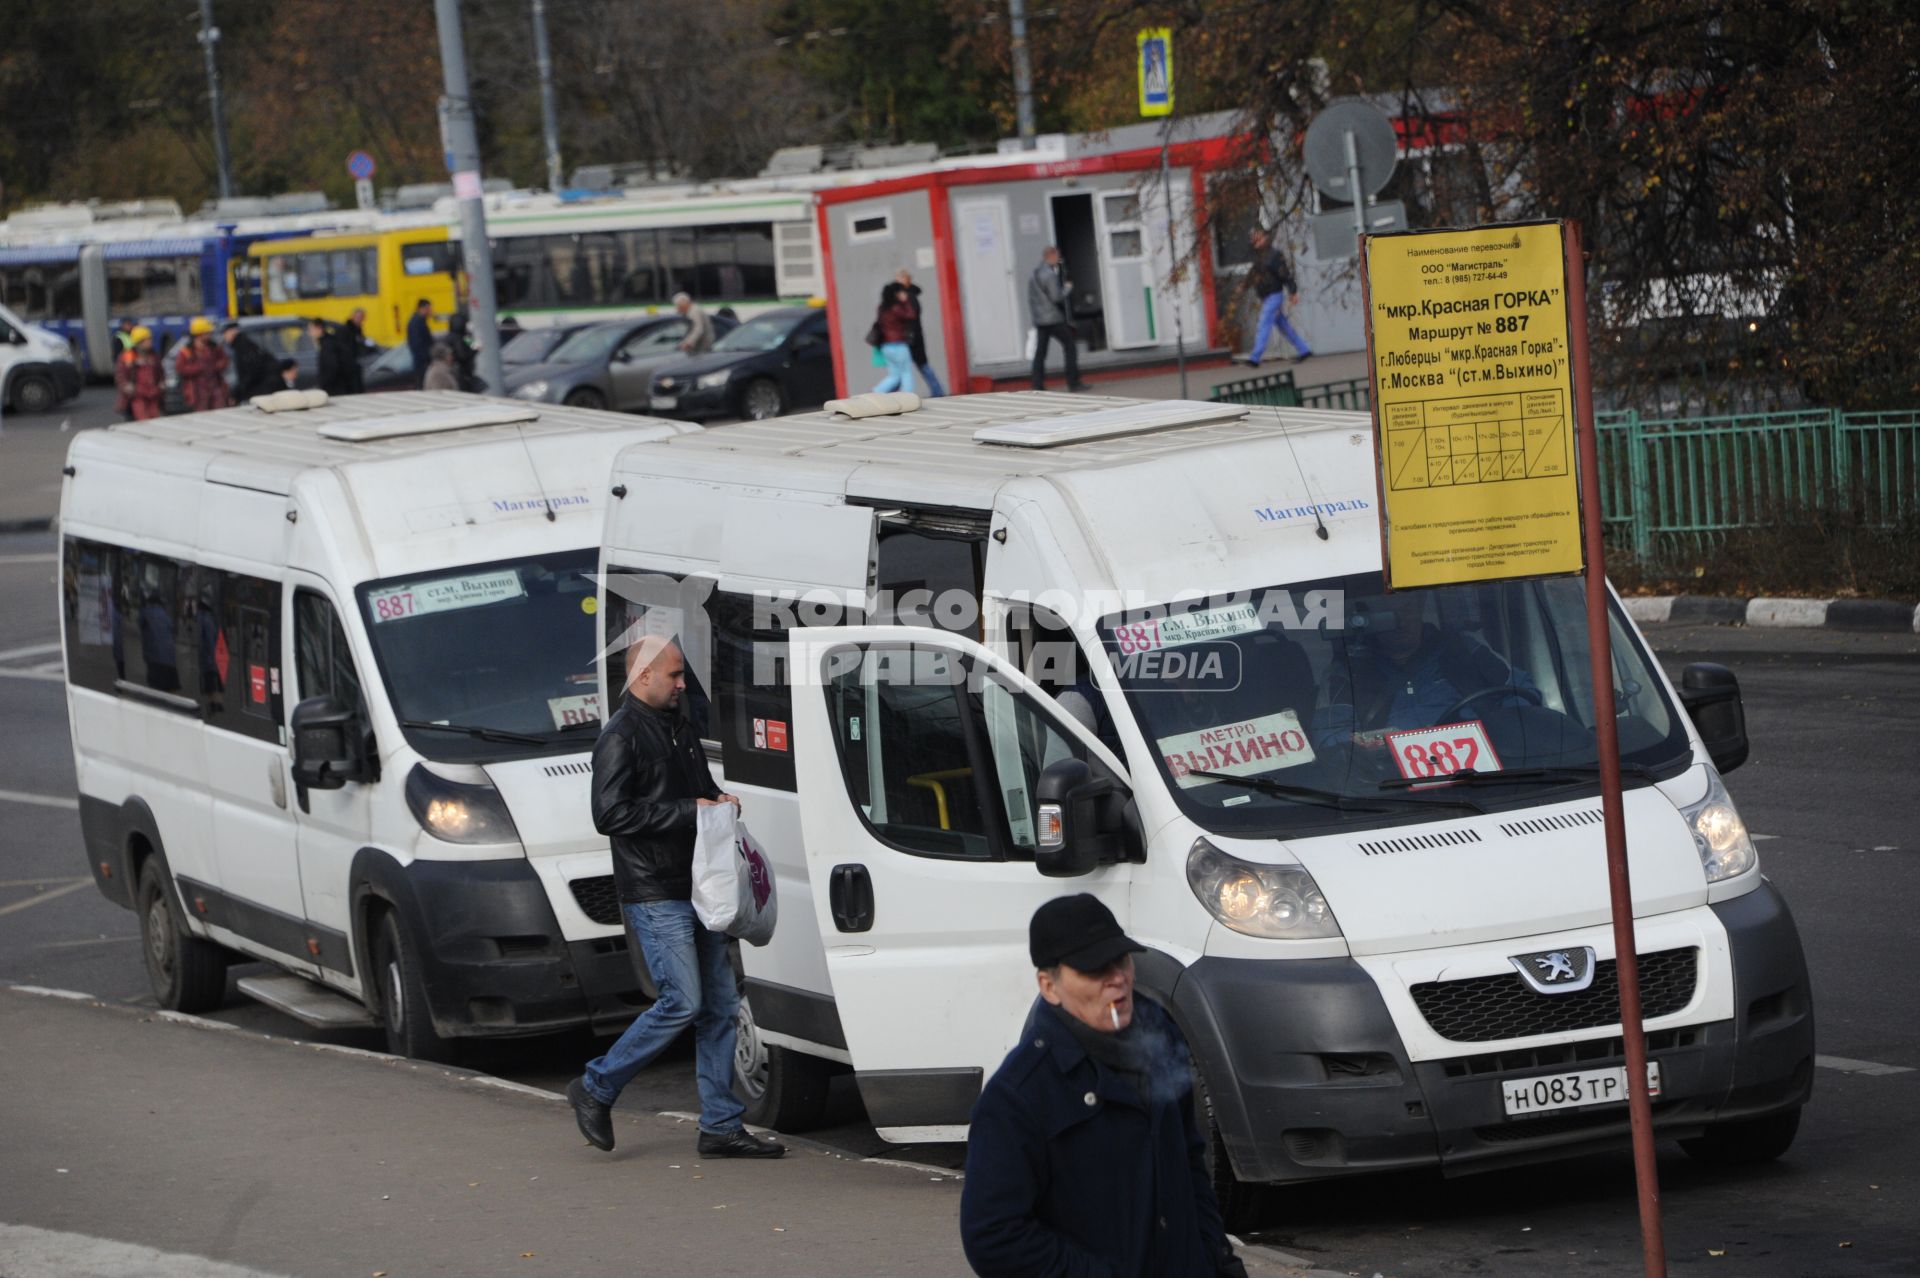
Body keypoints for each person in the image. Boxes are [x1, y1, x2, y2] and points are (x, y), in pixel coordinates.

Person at [564, 634, 786, 1161]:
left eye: (682, 674)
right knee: (682, 1001)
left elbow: (696, 784)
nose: (683, 684)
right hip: (653, 890)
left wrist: (716, 799)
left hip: (699, 883)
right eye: (674, 675)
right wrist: (692, 810)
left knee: (720, 1006)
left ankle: (720, 1126)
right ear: (642, 677)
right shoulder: (620, 736)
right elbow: (610, 815)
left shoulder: (677, 722)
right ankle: (596, 1086)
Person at [961, 895, 1246, 1278]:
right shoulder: (1019, 1095)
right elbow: (993, 1236)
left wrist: (1218, 1261)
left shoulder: (1159, 1033)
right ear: (1050, 986)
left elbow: (1190, 1166)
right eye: (1094, 970)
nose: (1118, 979)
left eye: (1121, 960)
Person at [1314, 590, 1534, 751]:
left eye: (1407, 609)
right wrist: (1374, 744)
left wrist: (1487, 730)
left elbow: (1523, 696)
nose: (1401, 622)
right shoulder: (1346, 674)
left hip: (1483, 777)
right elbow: (1328, 737)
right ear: (1370, 619)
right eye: (1389, 614)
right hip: (1392, 789)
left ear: (1421, 606)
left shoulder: (1466, 650)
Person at [1244, 228, 1312, 368]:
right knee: (1282, 325)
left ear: (1266, 238)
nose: (1257, 242)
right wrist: (1244, 285)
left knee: (1264, 323)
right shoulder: (1259, 257)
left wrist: (1293, 291)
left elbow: (1285, 274)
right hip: (1266, 296)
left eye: (1260, 239)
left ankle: (1255, 358)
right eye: (1254, 240)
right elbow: (1254, 276)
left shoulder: (1274, 255)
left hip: (1274, 294)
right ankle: (1304, 349)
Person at [1027, 246, 1088, 392]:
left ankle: (1037, 384)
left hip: (1040, 320)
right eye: (1057, 256)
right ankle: (1073, 382)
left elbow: (1032, 299)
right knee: (1070, 347)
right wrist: (1067, 288)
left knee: (1040, 353)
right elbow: (1056, 297)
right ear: (1051, 256)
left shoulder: (1034, 274)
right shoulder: (1049, 274)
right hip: (1053, 319)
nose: (1058, 259)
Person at [885, 269, 945, 397]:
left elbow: (910, 317)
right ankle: (937, 391)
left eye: (901, 279)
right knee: (909, 367)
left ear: (907, 280)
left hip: (912, 338)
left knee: (912, 367)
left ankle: (887, 393)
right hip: (909, 337)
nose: (898, 282)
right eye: (897, 279)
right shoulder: (906, 296)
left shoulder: (909, 297)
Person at [173, 317, 231, 413]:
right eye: (207, 333)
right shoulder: (187, 351)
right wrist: (198, 368)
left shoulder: (214, 347)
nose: (210, 335)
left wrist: (216, 367)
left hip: (215, 389)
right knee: (201, 416)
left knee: (220, 414)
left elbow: (224, 360)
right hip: (197, 392)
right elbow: (180, 368)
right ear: (199, 334)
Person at [870, 282, 920, 393]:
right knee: (906, 372)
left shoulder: (882, 308)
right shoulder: (897, 308)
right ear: (896, 294)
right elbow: (911, 315)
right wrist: (906, 302)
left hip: (886, 346)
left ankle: (877, 392)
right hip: (898, 345)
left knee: (894, 375)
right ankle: (908, 396)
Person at [115, 327, 163, 421]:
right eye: (147, 340)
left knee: (156, 422)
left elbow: (160, 373)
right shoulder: (128, 357)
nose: (150, 342)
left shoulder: (153, 356)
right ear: (139, 342)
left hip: (153, 396)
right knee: (142, 422)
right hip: (138, 397)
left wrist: (161, 385)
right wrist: (126, 387)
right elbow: (120, 376)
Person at [224, 322, 279, 400]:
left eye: (225, 333)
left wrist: (238, 393)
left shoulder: (243, 347)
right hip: (261, 387)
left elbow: (249, 373)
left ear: (232, 332)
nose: (225, 337)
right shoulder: (244, 345)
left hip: (258, 389)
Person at [312, 320, 352, 396]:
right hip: (339, 385)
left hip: (334, 388)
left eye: (311, 329)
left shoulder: (327, 345)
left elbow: (331, 366)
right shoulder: (329, 341)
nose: (310, 333)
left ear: (319, 328)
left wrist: (322, 384)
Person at [445, 309, 477, 390]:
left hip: (460, 371)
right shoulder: (458, 338)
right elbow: (462, 355)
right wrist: (474, 351)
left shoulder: (459, 336)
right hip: (461, 372)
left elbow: (473, 344)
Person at [406, 299, 435, 386]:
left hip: (422, 361)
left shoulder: (419, 321)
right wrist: (426, 358)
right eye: (429, 308)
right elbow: (417, 344)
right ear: (422, 308)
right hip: (422, 363)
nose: (431, 311)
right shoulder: (417, 323)